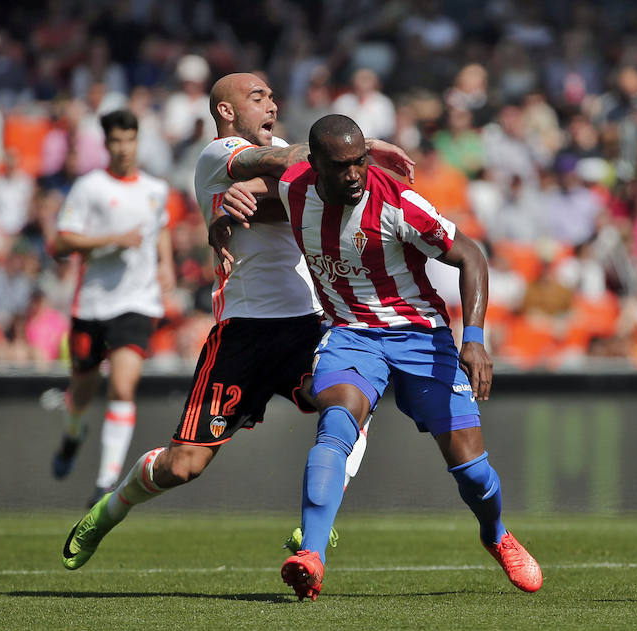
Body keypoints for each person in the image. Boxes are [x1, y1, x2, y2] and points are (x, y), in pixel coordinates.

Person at [59, 73, 415, 572]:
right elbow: (279, 166)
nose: (271, 102)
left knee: (352, 400)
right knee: (185, 466)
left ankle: (317, 521)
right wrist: (366, 147)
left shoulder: (298, 165)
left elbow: (307, 189)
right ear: (226, 112)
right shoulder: (217, 155)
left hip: (308, 324)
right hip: (242, 333)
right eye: (257, 97)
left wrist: (260, 193)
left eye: (272, 94)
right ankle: (110, 508)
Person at [229, 114, 542, 600]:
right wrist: (222, 211)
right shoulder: (295, 185)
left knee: (472, 469)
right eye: (341, 166)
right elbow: (255, 190)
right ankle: (311, 556)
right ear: (314, 165)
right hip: (350, 334)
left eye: (360, 162)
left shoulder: (399, 203)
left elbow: (472, 256)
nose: (354, 174)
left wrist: (474, 338)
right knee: (337, 420)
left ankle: (496, 534)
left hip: (421, 334)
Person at [51, 109, 175, 507]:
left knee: (123, 386)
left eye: (129, 140)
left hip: (137, 302)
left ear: (138, 141)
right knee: (83, 391)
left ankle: (105, 484)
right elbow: (61, 244)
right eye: (116, 141)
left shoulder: (156, 189)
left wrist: (167, 263)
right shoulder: (89, 187)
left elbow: (161, 229)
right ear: (106, 144)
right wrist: (111, 239)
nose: (123, 148)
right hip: (92, 304)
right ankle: (73, 433)